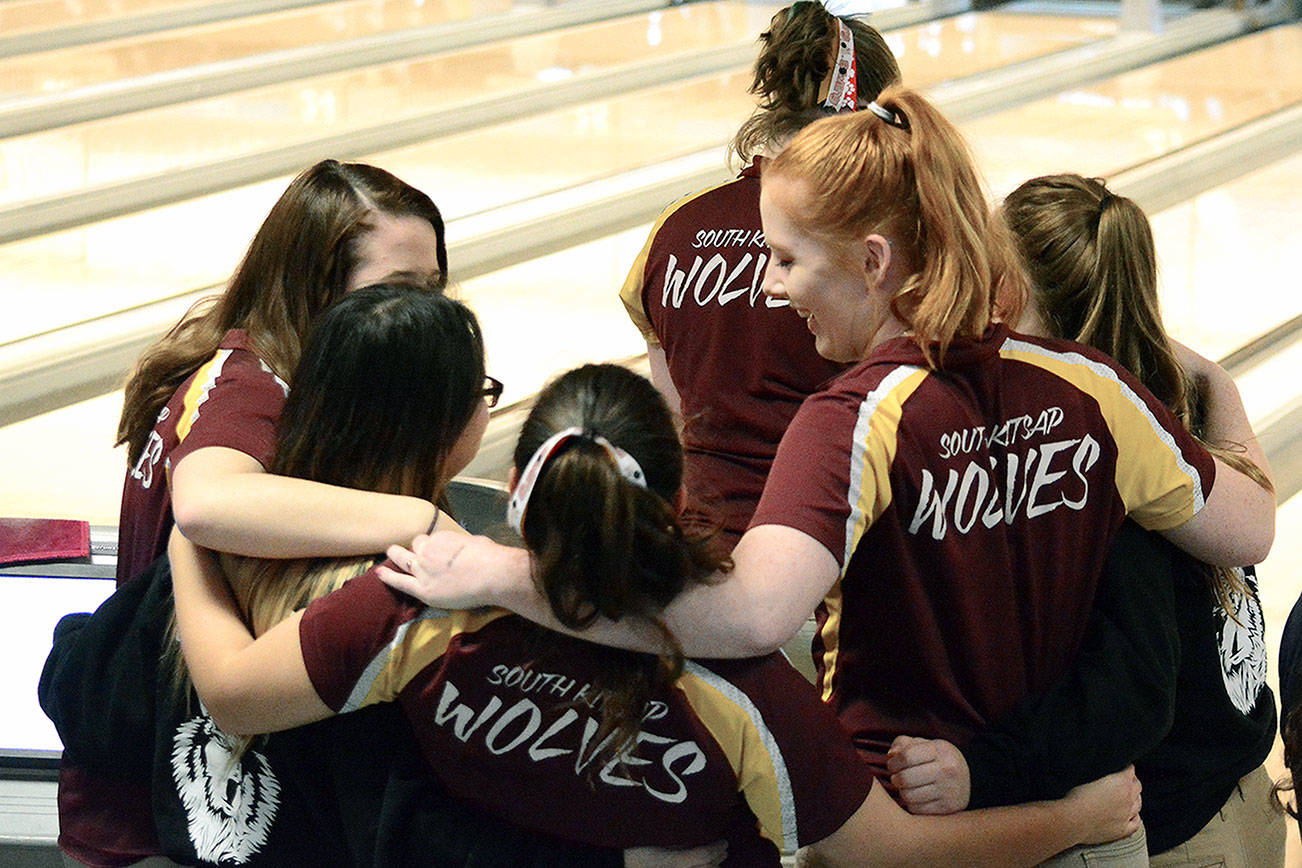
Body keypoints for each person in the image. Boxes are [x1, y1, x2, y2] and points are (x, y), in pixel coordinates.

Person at [379, 88, 1276, 862]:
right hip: (1092, 835)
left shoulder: (856, 419)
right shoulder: (1092, 385)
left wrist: (512, 574)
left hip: (917, 828)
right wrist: (1219, 387)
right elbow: (1249, 531)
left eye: (786, 257)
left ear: (873, 261)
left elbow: (746, 617)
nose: (771, 287)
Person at [170, 358, 1144, 865]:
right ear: (679, 498)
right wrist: (1073, 816)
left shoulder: (411, 606)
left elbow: (232, 694)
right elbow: (894, 854)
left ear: (512, 487)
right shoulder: (746, 689)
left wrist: (189, 538)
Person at [47, 286, 633, 866]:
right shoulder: (410, 605)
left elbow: (74, 687)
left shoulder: (211, 560)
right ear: (440, 424)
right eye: (481, 392)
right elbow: (425, 844)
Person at [59, 160, 451, 868]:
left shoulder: (261, 366)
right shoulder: (251, 386)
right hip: (156, 813)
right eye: (398, 291)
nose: (425, 314)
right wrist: (420, 518)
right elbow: (207, 504)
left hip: (162, 773)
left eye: (433, 288)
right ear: (315, 286)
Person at [886, 174, 1283, 866]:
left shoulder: (1092, 461)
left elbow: (1126, 695)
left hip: (1182, 836)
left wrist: (981, 771)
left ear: (1006, 292)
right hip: (1246, 797)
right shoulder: (1172, 401)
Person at [621, 2, 899, 546]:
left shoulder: (676, 228)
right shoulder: (872, 244)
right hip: (825, 548)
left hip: (700, 545)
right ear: (868, 118)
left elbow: (677, 406)